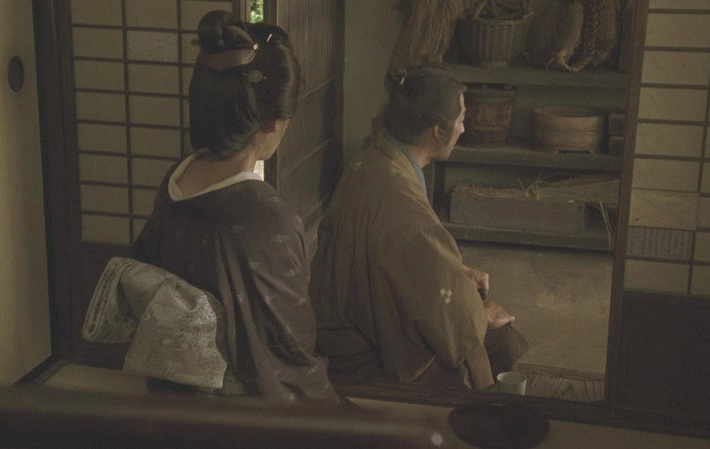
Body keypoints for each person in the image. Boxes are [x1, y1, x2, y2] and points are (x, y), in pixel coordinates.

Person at [132, 10, 340, 405]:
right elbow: (292, 346)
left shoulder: (178, 177)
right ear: (272, 124)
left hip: (170, 390)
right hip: (239, 407)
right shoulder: (268, 219)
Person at [310, 65, 528, 390]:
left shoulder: (374, 159)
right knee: (499, 342)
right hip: (363, 349)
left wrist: (458, 272)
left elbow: (402, 254)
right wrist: (480, 316)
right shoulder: (400, 197)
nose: (464, 128)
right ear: (437, 131)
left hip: (344, 319)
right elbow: (448, 312)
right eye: (461, 119)